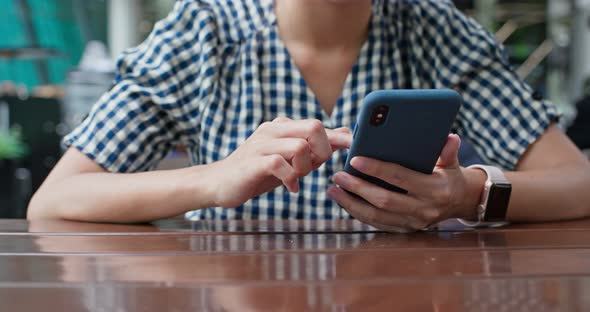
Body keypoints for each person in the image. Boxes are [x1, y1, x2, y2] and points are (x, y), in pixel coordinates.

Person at [28, 0, 590, 232]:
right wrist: (214, 179)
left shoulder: (433, 27)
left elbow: (578, 183)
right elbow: (56, 201)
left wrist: (469, 193)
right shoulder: (204, 29)